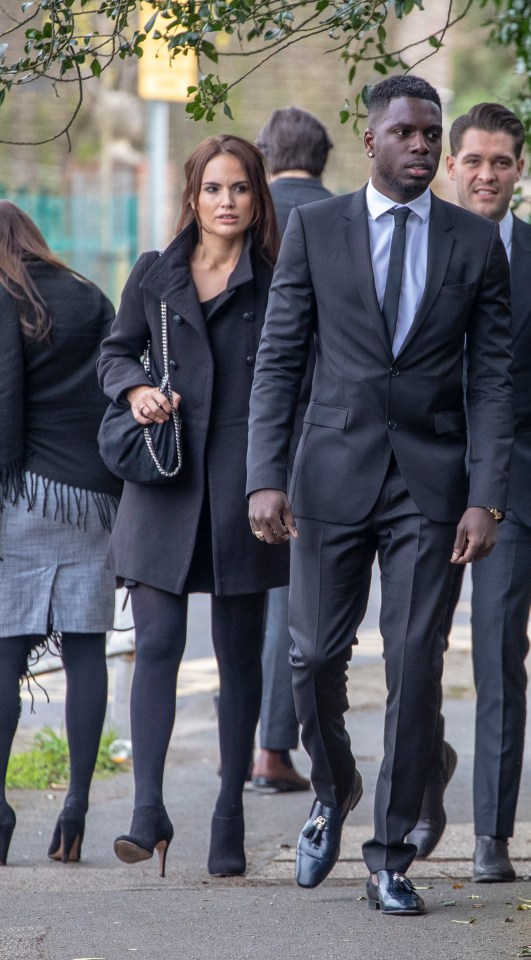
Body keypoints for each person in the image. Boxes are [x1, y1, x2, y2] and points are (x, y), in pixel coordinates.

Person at [246, 75, 514, 916]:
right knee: (313, 658)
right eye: (405, 133)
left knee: (413, 664)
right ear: (370, 140)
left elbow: (495, 384)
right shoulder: (315, 230)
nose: (422, 147)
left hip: (431, 490)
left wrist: (485, 495)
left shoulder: (472, 243)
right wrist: (264, 474)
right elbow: (280, 358)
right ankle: (333, 789)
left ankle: (391, 854)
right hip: (328, 476)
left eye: (431, 135)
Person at [407, 103, 531, 882]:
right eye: (473, 160)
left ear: (519, 168)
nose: (485, 174)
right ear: (450, 166)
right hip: (421, 484)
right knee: (414, 656)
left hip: (517, 487)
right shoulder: (413, 246)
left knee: (498, 656)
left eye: (500, 161)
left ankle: (492, 833)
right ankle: (425, 789)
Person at [97, 135, 289, 878]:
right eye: (213, 188)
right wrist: (134, 390)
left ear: (256, 196)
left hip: (244, 483)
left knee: (239, 661)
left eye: (239, 188)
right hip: (163, 479)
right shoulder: (155, 273)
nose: (226, 201)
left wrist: (281, 478)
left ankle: (227, 814)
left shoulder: (274, 279)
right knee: (156, 644)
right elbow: (116, 351)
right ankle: (148, 811)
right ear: (193, 196)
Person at [0, 201, 120, 866]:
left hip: (26, 496)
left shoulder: (4, 296)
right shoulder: (87, 293)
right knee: (85, 654)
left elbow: (5, 403)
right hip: (95, 501)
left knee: (4, 659)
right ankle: (74, 808)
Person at [251, 106, 334, 794]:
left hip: (236, 428)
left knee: (230, 598)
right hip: (322, 432)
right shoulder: (346, 220)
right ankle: (272, 750)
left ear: (262, 156)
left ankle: (237, 738)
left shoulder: (240, 213)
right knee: (290, 595)